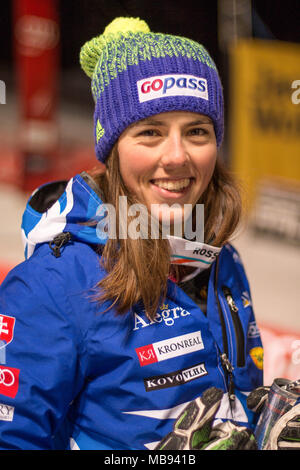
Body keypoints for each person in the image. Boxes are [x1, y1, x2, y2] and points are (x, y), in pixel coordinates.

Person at [0, 17, 264, 450]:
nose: (177, 157)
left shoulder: (220, 258)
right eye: (150, 133)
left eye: (197, 131)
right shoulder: (52, 286)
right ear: (112, 149)